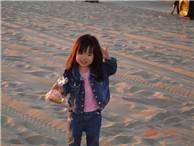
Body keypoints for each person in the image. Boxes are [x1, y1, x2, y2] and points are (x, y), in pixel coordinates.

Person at [46, 34, 117, 146]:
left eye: (89, 54)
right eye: (81, 53)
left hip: (94, 116)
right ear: (75, 53)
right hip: (75, 116)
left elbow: (112, 69)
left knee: (93, 142)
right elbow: (65, 86)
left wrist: (107, 58)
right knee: (73, 142)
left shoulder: (100, 69)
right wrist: (58, 93)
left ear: (95, 56)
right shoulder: (71, 73)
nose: (84, 58)